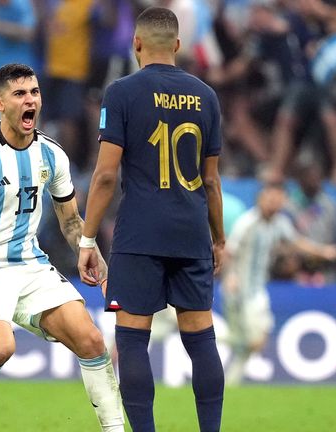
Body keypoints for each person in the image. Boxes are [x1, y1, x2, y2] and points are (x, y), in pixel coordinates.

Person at [0, 63, 124, 432]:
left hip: (30, 263)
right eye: (20, 94)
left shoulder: (52, 154)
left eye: (35, 92)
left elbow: (71, 221)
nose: (31, 101)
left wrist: (92, 254)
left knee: (91, 340)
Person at [78, 8, 226, 431]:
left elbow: (106, 174)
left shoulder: (121, 92)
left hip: (140, 232)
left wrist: (88, 240)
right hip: (191, 230)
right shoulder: (206, 96)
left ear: (136, 43)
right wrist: (218, 239)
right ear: (178, 46)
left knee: (132, 339)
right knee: (201, 339)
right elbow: (211, 182)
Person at [221, 182, 336, 386]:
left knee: (256, 340)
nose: (274, 202)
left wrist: (323, 251)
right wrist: (231, 277)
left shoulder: (279, 223)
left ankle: (230, 381)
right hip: (240, 289)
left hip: (257, 289)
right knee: (252, 340)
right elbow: (230, 251)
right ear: (260, 199)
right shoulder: (247, 222)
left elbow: (296, 242)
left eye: (278, 198)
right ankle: (214, 339)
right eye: (270, 197)